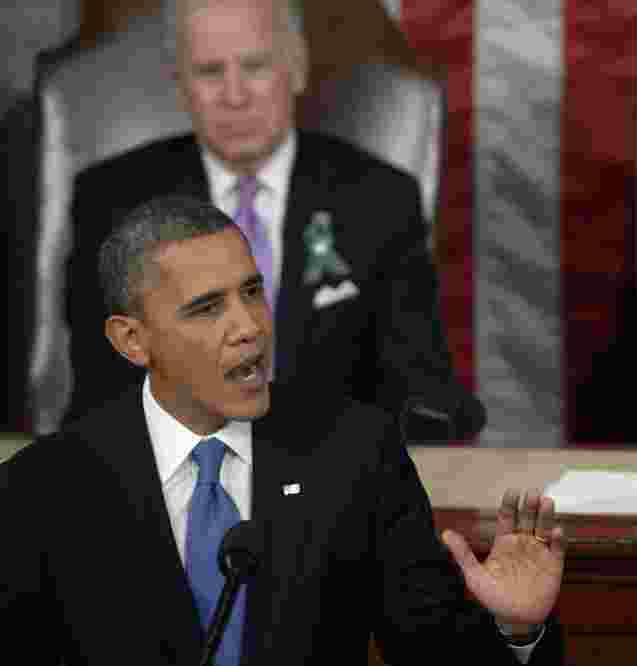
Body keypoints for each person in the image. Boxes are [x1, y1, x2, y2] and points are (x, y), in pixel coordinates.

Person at [0, 195, 564, 666]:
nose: (247, 327)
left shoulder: (352, 450)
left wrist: (515, 630)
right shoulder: (46, 489)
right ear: (132, 339)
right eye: (206, 308)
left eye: (251, 292)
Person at [62, 0, 485, 439]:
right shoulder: (112, 201)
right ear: (180, 84)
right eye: (210, 72)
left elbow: (418, 386)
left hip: (332, 476)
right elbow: (103, 390)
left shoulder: (379, 199)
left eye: (255, 67)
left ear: (297, 68)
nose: (235, 95)